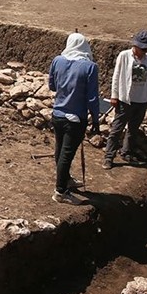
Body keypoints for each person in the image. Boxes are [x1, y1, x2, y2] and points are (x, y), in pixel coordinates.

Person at [48, 32, 100, 206]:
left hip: (57, 114)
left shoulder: (57, 60)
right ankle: (61, 191)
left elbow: (52, 85)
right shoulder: (90, 67)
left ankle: (66, 179)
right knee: (66, 154)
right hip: (75, 119)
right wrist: (95, 120)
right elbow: (92, 98)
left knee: (59, 149)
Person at [104, 30, 147, 169]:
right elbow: (116, 76)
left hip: (141, 99)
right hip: (125, 99)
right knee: (117, 129)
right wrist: (114, 95)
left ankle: (126, 152)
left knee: (133, 129)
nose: (145, 51)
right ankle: (109, 156)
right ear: (135, 46)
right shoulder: (124, 56)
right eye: (143, 49)